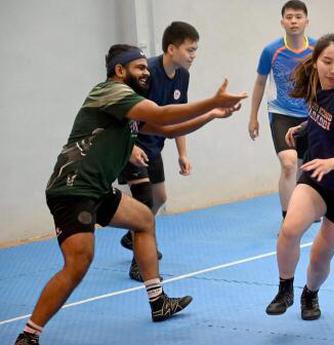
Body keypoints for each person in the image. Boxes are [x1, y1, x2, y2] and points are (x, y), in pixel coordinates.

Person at [14, 44, 247, 345]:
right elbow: (163, 115)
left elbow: (167, 129)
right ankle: (28, 335)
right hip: (72, 189)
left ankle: (158, 301)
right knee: (78, 263)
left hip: (95, 189)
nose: (146, 73)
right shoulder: (109, 91)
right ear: (120, 71)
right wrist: (211, 100)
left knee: (144, 219)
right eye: (139, 68)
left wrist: (213, 114)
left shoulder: (129, 107)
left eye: (146, 68)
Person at [265, 33, 334, 321]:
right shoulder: (316, 84)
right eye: (328, 61)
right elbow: (321, 117)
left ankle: (310, 293)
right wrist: (303, 127)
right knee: (289, 229)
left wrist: (331, 163)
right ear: (316, 62)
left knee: (319, 256)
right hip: (318, 176)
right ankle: (285, 288)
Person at [117, 21, 201, 281]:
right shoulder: (146, 73)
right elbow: (124, 112)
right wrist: (129, 147)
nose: (193, 55)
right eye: (189, 50)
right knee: (144, 201)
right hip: (131, 144)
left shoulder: (183, 77)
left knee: (160, 197)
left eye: (196, 50)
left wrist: (182, 153)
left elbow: (177, 118)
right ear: (171, 49)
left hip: (155, 145)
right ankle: (139, 262)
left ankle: (134, 234)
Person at [248, 0, 317, 222]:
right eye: (289, 17)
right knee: (288, 163)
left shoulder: (317, 49)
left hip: (309, 115)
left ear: (307, 21)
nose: (294, 21)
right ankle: (289, 219)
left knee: (304, 166)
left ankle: (308, 207)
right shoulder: (271, 51)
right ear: (282, 22)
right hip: (281, 113)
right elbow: (260, 83)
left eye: (298, 16)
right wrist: (253, 117)